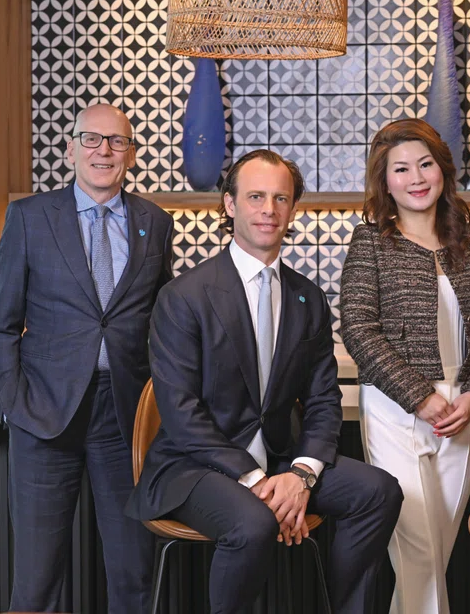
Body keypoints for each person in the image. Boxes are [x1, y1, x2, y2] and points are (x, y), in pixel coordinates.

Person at [126, 149, 402, 614]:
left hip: (280, 458)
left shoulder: (307, 297)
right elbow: (179, 411)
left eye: (281, 198)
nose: (268, 210)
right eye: (255, 196)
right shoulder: (183, 296)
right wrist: (255, 479)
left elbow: (321, 401)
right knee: (253, 522)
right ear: (230, 205)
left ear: (293, 209)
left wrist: (301, 474)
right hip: (194, 468)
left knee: (379, 492)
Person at [0, 103, 174, 612]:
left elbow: (163, 321)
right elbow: (1, 324)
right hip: (44, 415)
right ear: (70, 148)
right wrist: (11, 400)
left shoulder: (155, 223)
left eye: (116, 142)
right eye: (91, 139)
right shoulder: (29, 217)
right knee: (37, 576)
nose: (103, 151)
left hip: (126, 417)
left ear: (131, 154)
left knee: (133, 571)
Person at [340, 118, 470, 614]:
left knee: (437, 546)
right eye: (401, 168)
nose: (416, 177)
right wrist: (420, 396)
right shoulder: (369, 242)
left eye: (425, 164)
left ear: (443, 170)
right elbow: (358, 327)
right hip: (396, 410)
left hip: (463, 410)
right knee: (415, 545)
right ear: (384, 181)